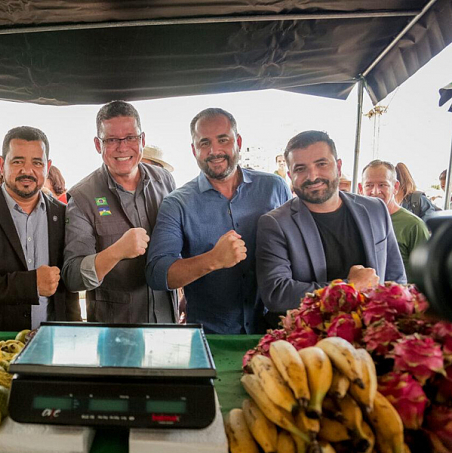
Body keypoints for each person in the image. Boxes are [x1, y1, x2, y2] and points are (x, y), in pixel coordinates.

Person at [146, 108, 291, 334]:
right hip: (210, 339)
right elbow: (157, 273)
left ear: (238, 141)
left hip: (273, 331)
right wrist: (213, 259)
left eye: (223, 139)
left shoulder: (275, 188)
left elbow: (295, 252)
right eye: (204, 143)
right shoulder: (177, 203)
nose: (215, 151)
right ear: (194, 150)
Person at [256, 131, 406, 323]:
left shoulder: (375, 209)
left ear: (339, 165)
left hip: (373, 332)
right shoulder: (275, 223)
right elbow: (277, 294)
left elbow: (396, 278)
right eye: (300, 169)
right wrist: (348, 287)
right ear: (290, 175)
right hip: (309, 339)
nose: (312, 176)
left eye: (321, 164)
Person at [0, 126, 81, 331]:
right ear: (2, 164)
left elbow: (69, 289)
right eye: (18, 161)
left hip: (52, 342)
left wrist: (74, 333)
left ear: (47, 166)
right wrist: (31, 284)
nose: (27, 171)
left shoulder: (63, 214)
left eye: (36, 163)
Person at [62, 100, 177, 323]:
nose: (122, 147)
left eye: (130, 138)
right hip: (116, 332)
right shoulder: (82, 196)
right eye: (112, 139)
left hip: (167, 322)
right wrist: (116, 252)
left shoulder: (165, 180)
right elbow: (73, 276)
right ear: (98, 144)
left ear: (142, 140)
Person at [360, 160, 429, 282]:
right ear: (361, 188)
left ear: (395, 187)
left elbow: (428, 273)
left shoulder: (414, 225)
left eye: (382, 185)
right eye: (369, 185)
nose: (375, 191)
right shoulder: (356, 221)